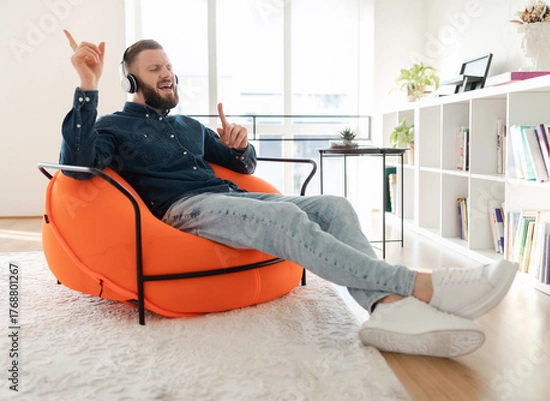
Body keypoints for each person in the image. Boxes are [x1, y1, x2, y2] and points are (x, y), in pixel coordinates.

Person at [60, 30, 518, 358]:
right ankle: (421, 285)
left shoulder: (188, 125)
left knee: (334, 205)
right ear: (131, 80)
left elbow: (245, 166)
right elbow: (79, 166)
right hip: (186, 210)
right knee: (289, 222)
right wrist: (87, 87)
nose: (168, 76)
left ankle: (388, 310)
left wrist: (241, 146)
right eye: (155, 69)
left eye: (171, 68)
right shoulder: (113, 126)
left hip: (232, 196)